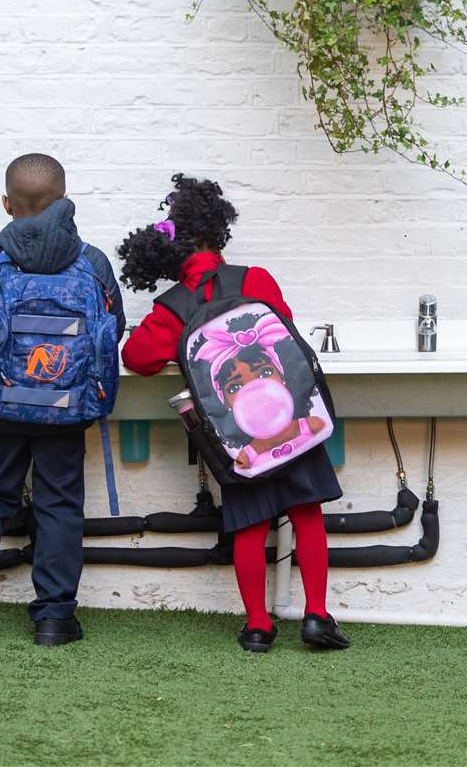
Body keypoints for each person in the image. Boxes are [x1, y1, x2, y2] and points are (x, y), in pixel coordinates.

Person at [120, 174, 348, 654]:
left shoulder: (171, 308)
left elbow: (137, 358)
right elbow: (283, 328)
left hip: (234, 440)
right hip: (291, 418)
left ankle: (258, 626)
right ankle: (317, 617)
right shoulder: (255, 280)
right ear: (218, 232)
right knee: (306, 516)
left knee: (248, 525)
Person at [0, 153, 125, 646]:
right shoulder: (93, 261)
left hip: (0, 402)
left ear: (5, 203)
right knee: (59, 502)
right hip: (67, 407)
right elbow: (113, 328)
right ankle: (54, 619)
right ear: (63, 201)